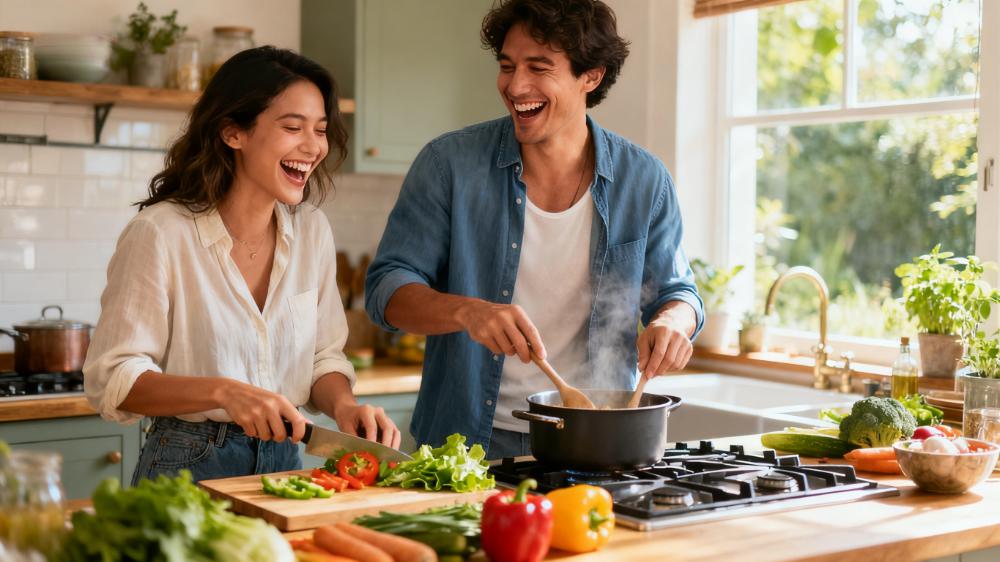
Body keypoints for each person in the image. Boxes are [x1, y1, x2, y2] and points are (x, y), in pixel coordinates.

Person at [365, 0, 703, 459]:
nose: (515, 86)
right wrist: (468, 312)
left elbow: (679, 293)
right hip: (466, 443)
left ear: (592, 76)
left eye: (538, 67)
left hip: (597, 438)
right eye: (507, 66)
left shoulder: (643, 180)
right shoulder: (449, 165)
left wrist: (671, 323)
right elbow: (387, 290)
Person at [84, 46, 400, 484]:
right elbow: (113, 377)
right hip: (186, 462)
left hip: (285, 461)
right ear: (233, 133)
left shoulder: (312, 230)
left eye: (321, 130)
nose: (313, 147)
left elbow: (323, 357)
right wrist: (223, 392)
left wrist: (344, 406)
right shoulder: (161, 232)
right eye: (293, 127)